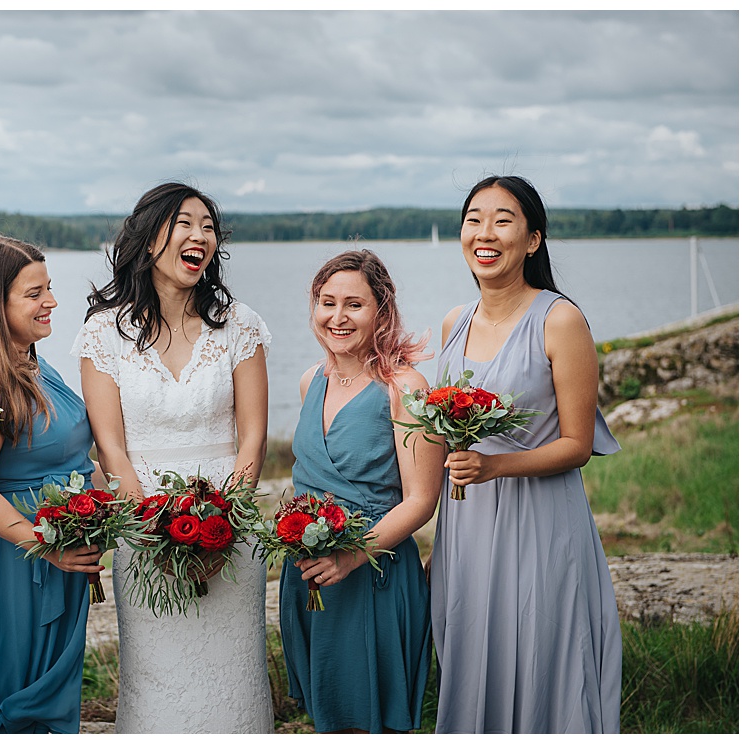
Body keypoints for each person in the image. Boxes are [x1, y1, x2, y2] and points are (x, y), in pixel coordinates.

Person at [74, 182, 272, 733]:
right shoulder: (103, 334)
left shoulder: (241, 325)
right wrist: (154, 532)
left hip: (230, 521)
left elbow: (253, 438)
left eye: (208, 226)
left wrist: (224, 524)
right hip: (144, 526)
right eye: (184, 223)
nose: (200, 236)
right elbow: (111, 446)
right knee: (158, 677)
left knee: (233, 675)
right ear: (148, 236)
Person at [428, 175, 622, 733]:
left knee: (542, 655)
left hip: (540, 521)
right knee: (469, 648)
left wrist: (494, 466)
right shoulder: (453, 321)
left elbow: (576, 444)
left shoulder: (560, 320)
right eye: (473, 219)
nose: (484, 233)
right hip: (466, 525)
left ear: (533, 239)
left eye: (503, 220)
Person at [0, 236, 102, 733]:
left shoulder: (31, 360)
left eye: (48, 288)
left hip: (58, 553)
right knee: (16, 706)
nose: (50, 302)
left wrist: (140, 506)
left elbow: (73, 457)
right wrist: (43, 546)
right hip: (12, 560)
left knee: (49, 705)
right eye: (35, 293)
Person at [278, 250, 442, 733]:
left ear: (382, 311)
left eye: (354, 304)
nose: (338, 316)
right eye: (326, 302)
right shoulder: (312, 380)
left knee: (372, 717)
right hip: (310, 575)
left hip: (374, 573)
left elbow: (420, 500)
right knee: (327, 712)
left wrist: (351, 556)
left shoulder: (405, 388)